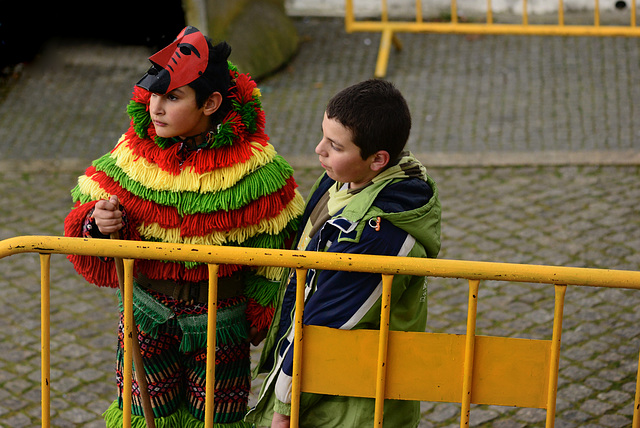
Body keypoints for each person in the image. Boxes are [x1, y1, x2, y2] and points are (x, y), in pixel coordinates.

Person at [63, 26, 304, 427]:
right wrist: (97, 222)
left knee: (217, 419)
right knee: (143, 418)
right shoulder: (132, 155)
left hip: (222, 325)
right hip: (145, 318)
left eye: (172, 97)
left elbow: (278, 246)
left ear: (210, 102)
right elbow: (85, 218)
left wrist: (258, 318)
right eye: (154, 94)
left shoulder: (258, 168)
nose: (156, 107)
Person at [245, 79, 442, 428]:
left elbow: (325, 325)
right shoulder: (344, 179)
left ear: (378, 160)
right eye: (323, 135)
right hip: (322, 389)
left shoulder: (379, 235)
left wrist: (282, 409)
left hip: (354, 404)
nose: (319, 150)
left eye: (334, 145)